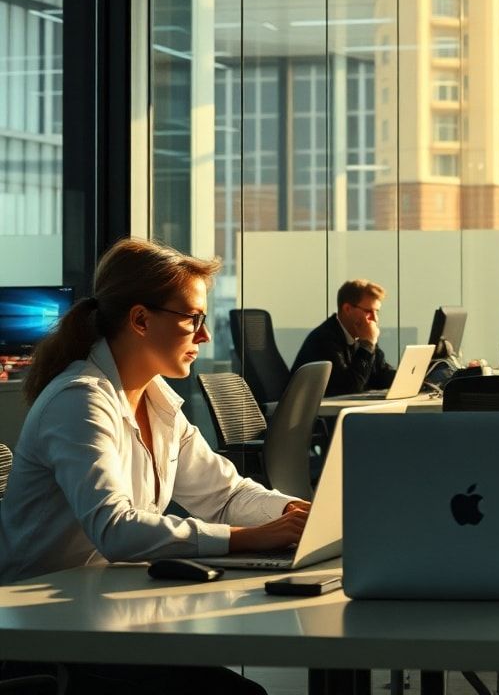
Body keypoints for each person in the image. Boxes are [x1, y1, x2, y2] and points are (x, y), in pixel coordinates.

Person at [0, 237, 310, 695]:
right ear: (141, 319)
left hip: (108, 610)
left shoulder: (157, 400)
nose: (204, 336)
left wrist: (298, 514)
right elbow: (116, 528)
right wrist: (249, 538)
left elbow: (224, 495)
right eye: (193, 320)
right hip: (47, 628)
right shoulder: (79, 400)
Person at [292, 279, 395, 396]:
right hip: (317, 412)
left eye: (377, 312)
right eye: (368, 311)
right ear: (347, 309)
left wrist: (413, 379)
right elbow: (350, 388)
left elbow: (380, 374)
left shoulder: (361, 334)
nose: (375, 319)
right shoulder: (325, 339)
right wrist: (367, 345)